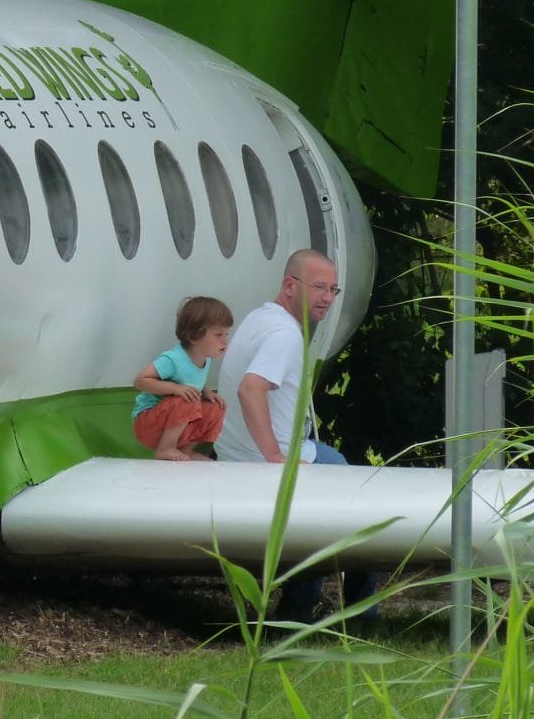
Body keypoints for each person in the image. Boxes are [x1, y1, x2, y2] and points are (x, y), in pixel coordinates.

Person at [219, 249, 378, 621]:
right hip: (272, 457)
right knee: (361, 510)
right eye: (320, 287)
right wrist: (275, 456)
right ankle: (356, 612)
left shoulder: (259, 319)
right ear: (290, 286)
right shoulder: (284, 335)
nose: (327, 297)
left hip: (232, 455)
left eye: (333, 290)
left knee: (325, 497)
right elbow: (250, 388)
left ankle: (303, 607)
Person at [131, 296, 233, 461]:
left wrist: (207, 391)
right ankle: (165, 449)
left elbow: (194, 377)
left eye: (226, 334)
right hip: (148, 424)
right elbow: (140, 381)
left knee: (216, 407)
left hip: (173, 424)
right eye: (218, 335)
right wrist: (175, 389)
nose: (225, 341)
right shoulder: (173, 359)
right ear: (194, 336)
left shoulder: (204, 359)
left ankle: (186, 450)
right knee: (188, 398)